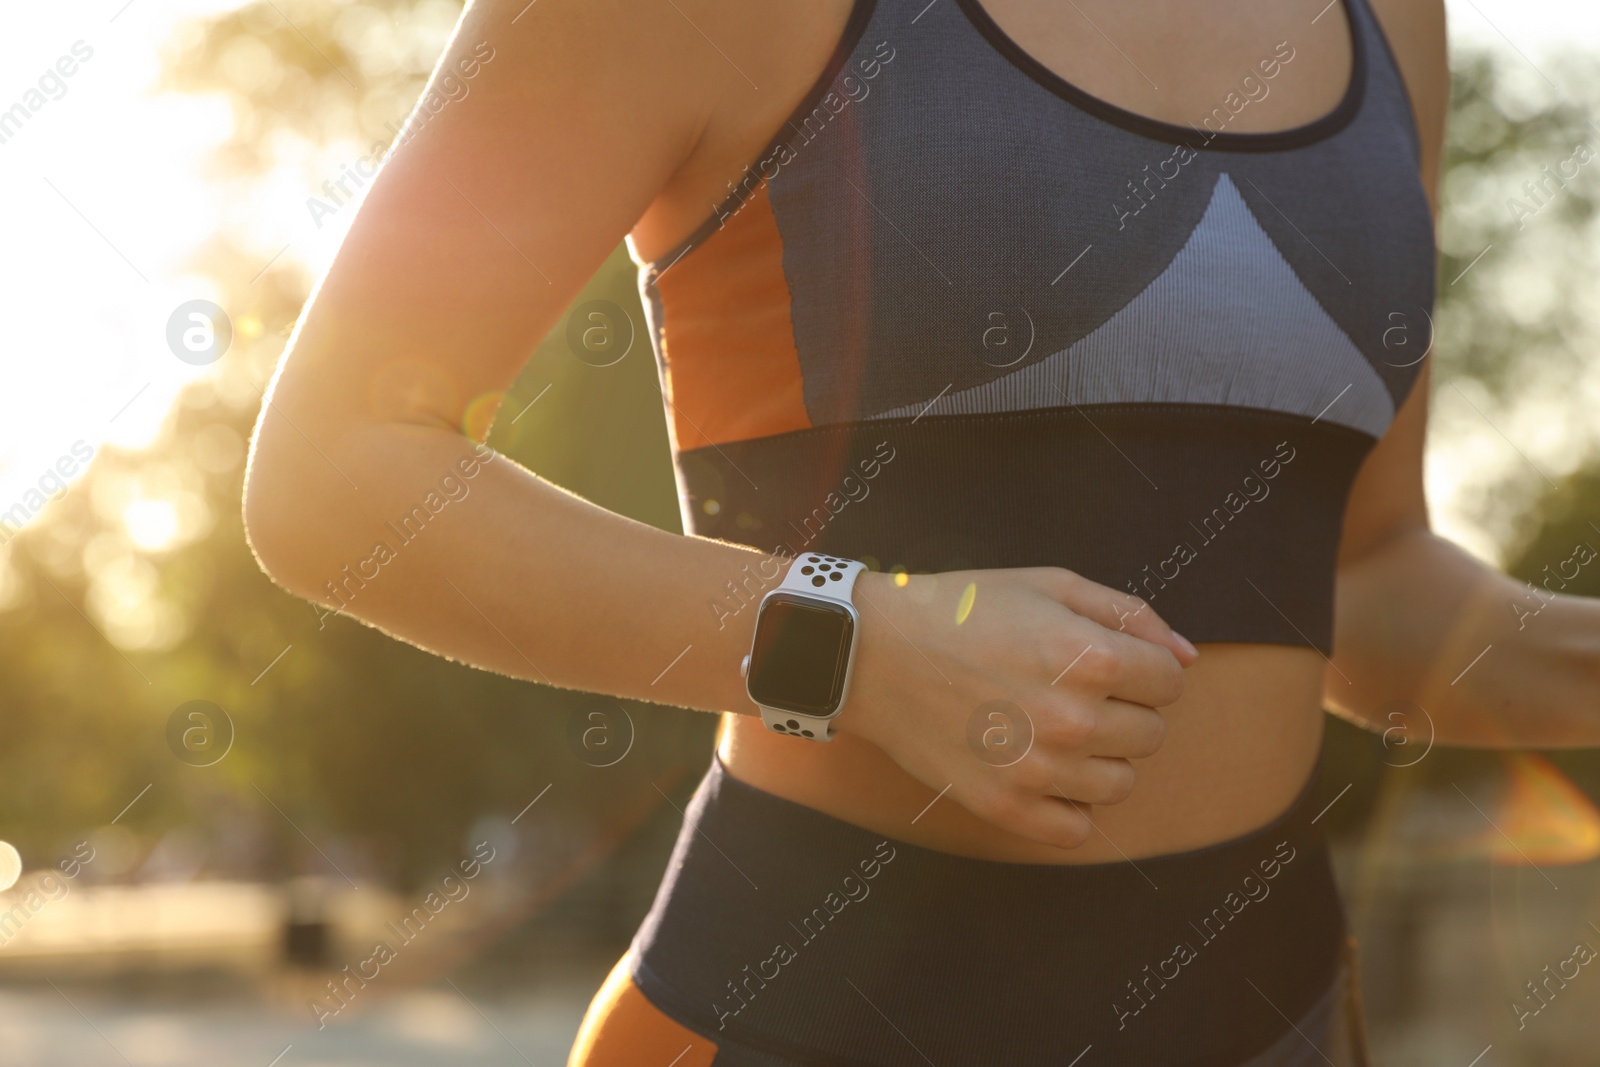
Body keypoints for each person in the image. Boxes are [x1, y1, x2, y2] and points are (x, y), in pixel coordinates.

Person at [242, 0, 1600, 1062]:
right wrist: (863, 643)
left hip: (1284, 1019)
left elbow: (1355, 584)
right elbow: (335, 472)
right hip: (810, 1020)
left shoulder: (1390, 19)